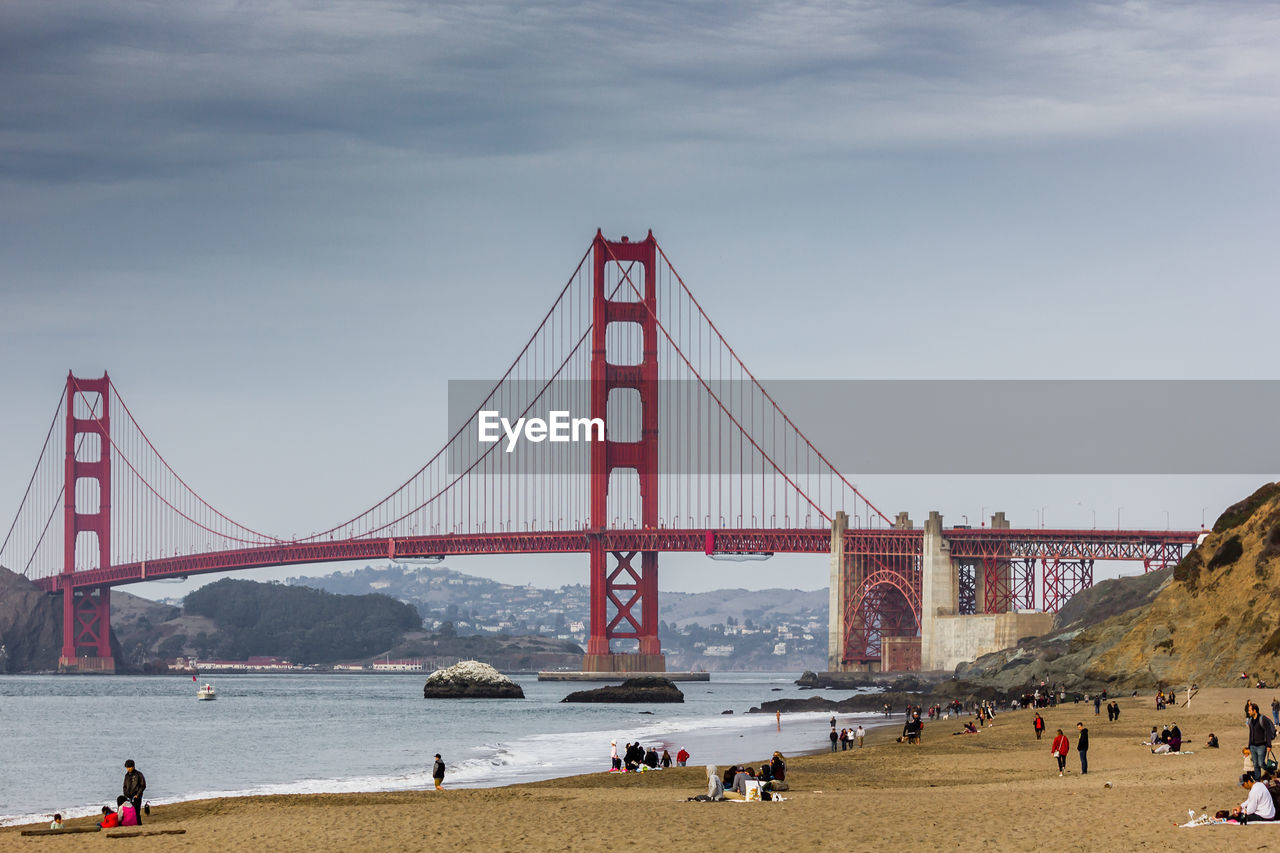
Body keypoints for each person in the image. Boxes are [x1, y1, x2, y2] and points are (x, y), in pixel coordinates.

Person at [1247, 700, 1276, 781]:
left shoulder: (1263, 719)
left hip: (1261, 746)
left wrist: (1269, 745)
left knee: (1261, 763)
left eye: (1249, 710)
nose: (1248, 712)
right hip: (1253, 746)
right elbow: (1251, 733)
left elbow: (1268, 732)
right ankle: (1257, 781)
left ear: (1254, 710)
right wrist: (1249, 746)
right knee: (1255, 765)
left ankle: (1272, 772)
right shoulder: (1250, 721)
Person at [122, 760, 145, 825]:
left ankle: (139, 825)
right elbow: (124, 786)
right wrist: (125, 794)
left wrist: (137, 795)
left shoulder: (139, 774)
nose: (128, 769)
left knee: (137, 813)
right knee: (130, 813)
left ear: (133, 767)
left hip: (137, 797)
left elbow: (143, 786)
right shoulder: (126, 775)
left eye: (129, 767)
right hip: (128, 797)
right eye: (127, 767)